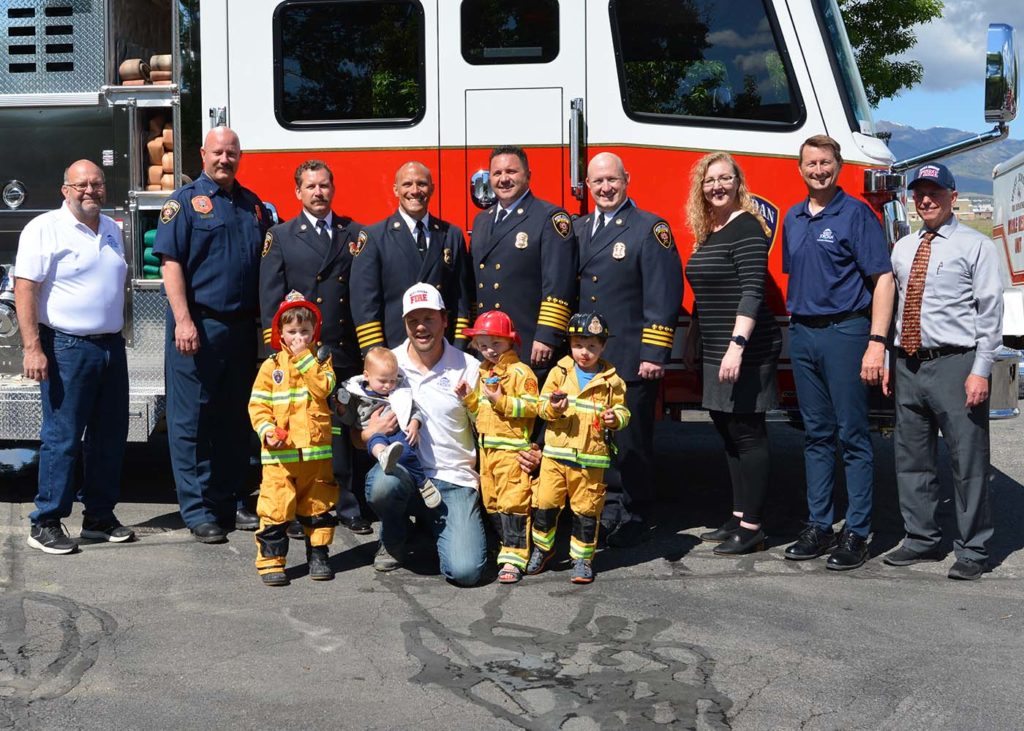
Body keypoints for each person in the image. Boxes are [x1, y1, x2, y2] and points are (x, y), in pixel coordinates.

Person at [881, 163, 1002, 581]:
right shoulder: (902, 248)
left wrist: (981, 370)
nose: (926, 199)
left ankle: (973, 548)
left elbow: (990, 312)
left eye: (934, 191)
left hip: (957, 364)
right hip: (909, 364)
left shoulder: (975, 246)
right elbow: (895, 307)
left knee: (967, 460)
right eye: (919, 193)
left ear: (953, 195)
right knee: (911, 458)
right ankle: (921, 538)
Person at [781, 135, 894, 570]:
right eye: (811, 163)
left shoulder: (857, 215)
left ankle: (858, 532)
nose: (818, 170)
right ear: (801, 168)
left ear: (838, 166)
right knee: (816, 435)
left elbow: (882, 279)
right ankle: (819, 525)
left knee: (853, 436)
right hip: (804, 334)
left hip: (846, 332)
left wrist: (876, 344)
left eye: (825, 162)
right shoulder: (792, 218)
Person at [154, 126, 271, 543]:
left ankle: (227, 499)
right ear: (202, 154)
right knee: (191, 421)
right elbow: (171, 264)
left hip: (240, 330)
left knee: (233, 419)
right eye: (218, 152)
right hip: (197, 327)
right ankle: (198, 509)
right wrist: (183, 320)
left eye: (232, 153)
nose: (225, 159)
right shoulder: (183, 203)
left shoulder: (252, 206)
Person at [14, 160, 134, 553]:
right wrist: (32, 347)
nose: (90, 191)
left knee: (109, 438)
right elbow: (26, 288)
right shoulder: (44, 228)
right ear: (65, 190)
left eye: (97, 184)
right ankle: (45, 521)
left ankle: (99, 517)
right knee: (63, 438)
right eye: (81, 185)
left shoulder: (114, 230)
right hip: (66, 347)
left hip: (110, 347)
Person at [574, 152, 683, 546]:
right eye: (597, 182)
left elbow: (664, 293)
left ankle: (635, 513)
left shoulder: (649, 228)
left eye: (612, 181)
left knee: (631, 442)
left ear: (626, 180)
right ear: (587, 186)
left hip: (631, 357)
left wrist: (654, 354)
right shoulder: (580, 228)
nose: (605, 188)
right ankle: (605, 508)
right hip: (591, 359)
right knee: (596, 439)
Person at [259, 159, 370, 535]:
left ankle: (349, 504)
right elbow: (271, 299)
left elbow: (363, 293)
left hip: (340, 350)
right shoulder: (282, 235)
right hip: (297, 354)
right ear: (297, 192)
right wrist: (278, 350)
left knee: (342, 429)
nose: (318, 192)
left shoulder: (354, 233)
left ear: (333, 189)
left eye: (324, 186)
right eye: (310, 187)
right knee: (299, 432)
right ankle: (295, 508)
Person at [683, 152, 783, 555]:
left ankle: (755, 527)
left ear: (738, 183)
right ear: (701, 188)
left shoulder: (746, 227)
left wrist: (736, 347)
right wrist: (693, 339)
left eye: (725, 178)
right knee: (727, 431)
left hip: (746, 350)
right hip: (715, 348)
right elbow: (704, 292)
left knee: (748, 432)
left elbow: (752, 291)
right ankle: (739, 515)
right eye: (710, 180)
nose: (717, 186)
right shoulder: (712, 229)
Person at [362, 283, 486, 586]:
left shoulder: (468, 367)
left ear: (445, 319)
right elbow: (358, 429)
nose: (420, 327)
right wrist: (369, 434)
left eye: (429, 318)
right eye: (413, 320)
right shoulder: (385, 363)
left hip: (453, 480)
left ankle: (433, 528)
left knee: (466, 572)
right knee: (382, 485)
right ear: (404, 323)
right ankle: (395, 534)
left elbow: (487, 429)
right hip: (403, 474)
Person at [527, 312, 630, 584]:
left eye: (593, 346)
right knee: (545, 504)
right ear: (570, 344)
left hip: (591, 460)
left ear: (604, 346)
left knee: (586, 512)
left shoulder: (612, 381)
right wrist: (553, 408)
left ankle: (582, 559)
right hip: (555, 458)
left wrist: (615, 419)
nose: (585, 353)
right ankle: (542, 549)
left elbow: (623, 411)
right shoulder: (559, 372)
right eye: (579, 345)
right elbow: (541, 406)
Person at [248, 292, 338, 585]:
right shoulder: (270, 366)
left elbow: (323, 389)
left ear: (314, 332)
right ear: (281, 334)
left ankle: (319, 554)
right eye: (292, 332)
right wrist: (266, 430)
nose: (298, 336)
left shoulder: (322, 361)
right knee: (275, 508)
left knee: (318, 506)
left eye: (304, 331)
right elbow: (258, 405)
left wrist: (303, 359)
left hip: (315, 455)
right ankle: (272, 561)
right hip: (279, 456)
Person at [470, 146, 578, 368]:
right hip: (488, 345)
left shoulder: (549, 217)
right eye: (497, 173)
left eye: (511, 171)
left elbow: (558, 283)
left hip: (529, 343)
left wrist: (547, 335)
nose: (503, 179)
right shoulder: (482, 221)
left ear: (528, 176)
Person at [350, 161, 474, 353]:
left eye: (422, 184)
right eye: (407, 184)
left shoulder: (451, 235)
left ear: (432, 188)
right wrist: (376, 354)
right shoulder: (375, 237)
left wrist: (458, 348)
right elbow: (365, 304)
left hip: (443, 351)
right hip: (395, 351)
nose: (415, 190)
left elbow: (461, 300)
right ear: (396, 190)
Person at [455, 310, 539, 584]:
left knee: (513, 503)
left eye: (496, 344)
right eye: (483, 345)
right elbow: (481, 410)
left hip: (511, 452)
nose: (489, 350)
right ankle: (506, 547)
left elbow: (531, 407)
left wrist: (502, 400)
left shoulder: (520, 372)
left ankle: (514, 558)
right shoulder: (483, 371)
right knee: (491, 503)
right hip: (487, 451)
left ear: (511, 342)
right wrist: (468, 398)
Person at [339, 347, 440, 508]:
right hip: (373, 435)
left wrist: (415, 424)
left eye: (392, 380)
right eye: (383, 381)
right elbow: (350, 419)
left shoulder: (398, 392)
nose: (388, 386)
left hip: (398, 432)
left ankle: (423, 483)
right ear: (366, 376)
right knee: (376, 440)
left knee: (406, 452)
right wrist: (342, 409)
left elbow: (413, 409)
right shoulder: (356, 394)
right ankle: (384, 456)